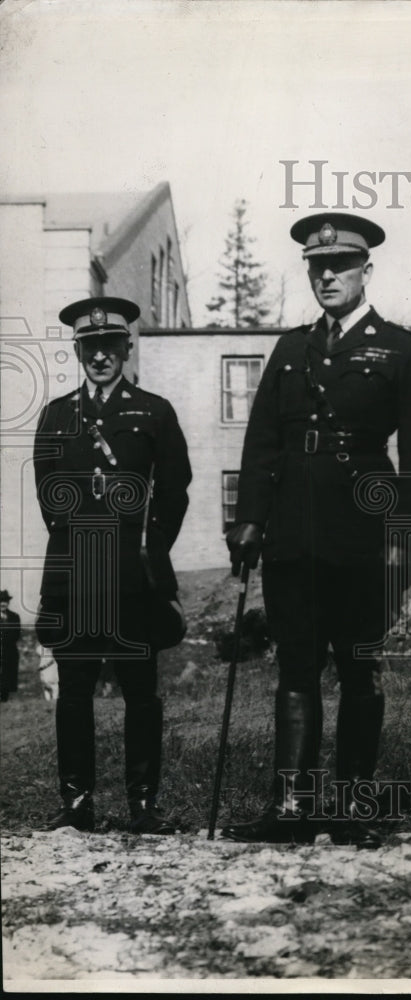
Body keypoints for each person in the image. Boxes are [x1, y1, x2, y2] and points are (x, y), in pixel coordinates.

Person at [224, 212, 411, 848]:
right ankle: (291, 807)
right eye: (317, 268)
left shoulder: (401, 349)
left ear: (365, 271)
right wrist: (250, 520)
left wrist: (405, 540)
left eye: (340, 267)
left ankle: (352, 809)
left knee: (357, 667)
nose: (327, 277)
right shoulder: (290, 349)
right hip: (292, 534)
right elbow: (262, 442)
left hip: (362, 535)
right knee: (296, 667)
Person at [33, 297, 192, 834]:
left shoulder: (154, 411)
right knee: (74, 691)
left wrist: (152, 547)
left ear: (126, 347)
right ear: (78, 351)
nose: (100, 356)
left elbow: (174, 490)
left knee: (141, 692)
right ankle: (76, 802)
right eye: (90, 347)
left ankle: (143, 805)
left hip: (132, 575)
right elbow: (48, 495)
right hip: (76, 573)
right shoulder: (57, 415)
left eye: (109, 345)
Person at [0, 590, 22, 702]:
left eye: (5, 601)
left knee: (7, 678)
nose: (3, 603)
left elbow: (16, 634)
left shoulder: (15, 616)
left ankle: (4, 700)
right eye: (0, 601)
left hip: (10, 652)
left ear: (8, 602)